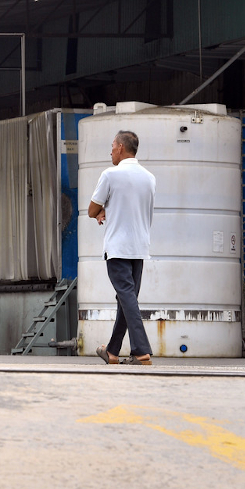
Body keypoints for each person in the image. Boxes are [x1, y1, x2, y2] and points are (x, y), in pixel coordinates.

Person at [88, 130, 156, 366]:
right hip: (139, 248)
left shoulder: (110, 175)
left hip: (118, 248)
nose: (110, 151)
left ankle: (141, 350)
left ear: (120, 148)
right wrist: (110, 208)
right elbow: (133, 207)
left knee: (127, 298)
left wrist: (102, 210)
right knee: (127, 299)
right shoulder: (149, 178)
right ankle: (113, 351)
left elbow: (91, 210)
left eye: (112, 146)